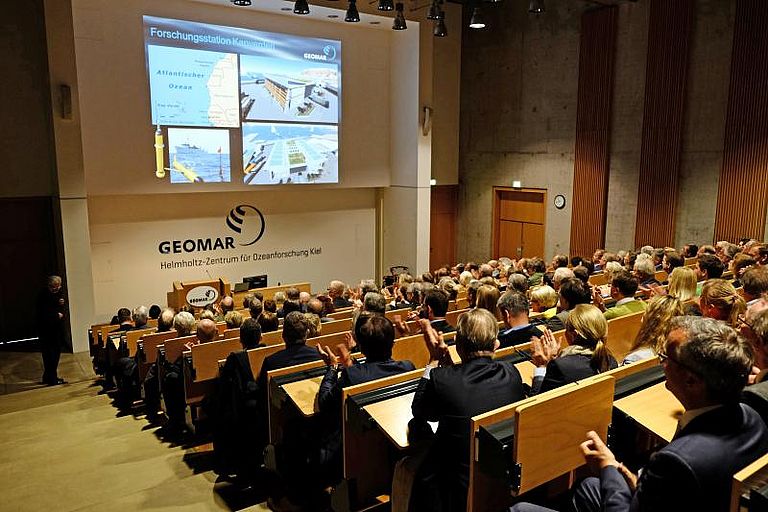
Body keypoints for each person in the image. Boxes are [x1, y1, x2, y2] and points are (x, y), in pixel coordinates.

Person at [512, 316, 768, 512]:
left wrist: (607, 465)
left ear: (691, 381)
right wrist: (625, 476)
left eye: (667, 357)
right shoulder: (753, 416)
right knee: (588, 487)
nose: (662, 363)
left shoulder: (677, 462)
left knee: (520, 509)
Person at [409, 309, 525, 512]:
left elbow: (421, 411)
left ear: (458, 345)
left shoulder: (442, 378)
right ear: (495, 344)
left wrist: (434, 360)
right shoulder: (511, 373)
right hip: (498, 477)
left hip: (453, 485)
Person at [315, 314, 415, 480]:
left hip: (359, 454)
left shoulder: (352, 375)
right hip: (396, 447)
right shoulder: (407, 367)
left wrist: (332, 369)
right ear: (393, 343)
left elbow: (324, 403)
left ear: (361, 347)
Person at [531, 304, 617, 394]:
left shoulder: (560, 366)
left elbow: (539, 403)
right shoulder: (610, 360)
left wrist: (542, 367)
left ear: (574, 335)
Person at [622, 295, 684, 364]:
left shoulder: (634, 359)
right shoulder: (682, 352)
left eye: (645, 313)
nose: (641, 319)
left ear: (649, 321)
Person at [37, 275, 67, 386]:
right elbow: (42, 314)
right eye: (57, 286)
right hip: (48, 331)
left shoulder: (56, 293)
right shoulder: (43, 295)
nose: (59, 288)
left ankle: (48, 377)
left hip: (56, 330)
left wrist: (60, 303)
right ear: (52, 286)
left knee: (54, 355)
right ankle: (52, 379)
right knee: (51, 356)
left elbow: (55, 303)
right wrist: (56, 315)